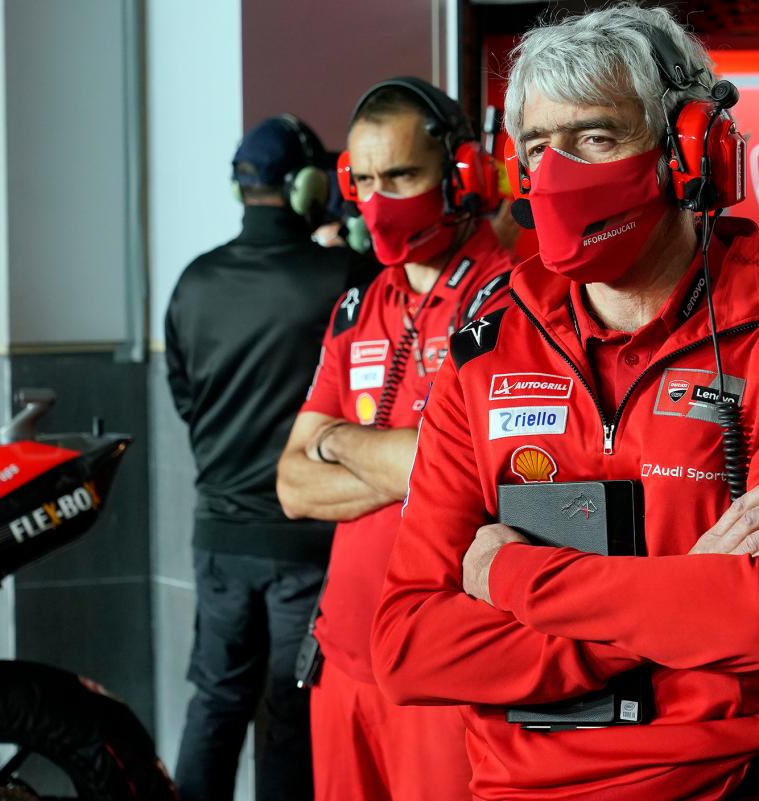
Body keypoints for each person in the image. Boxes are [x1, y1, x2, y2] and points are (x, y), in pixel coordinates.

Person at [370, 7, 759, 801]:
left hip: (725, 783)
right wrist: (683, 598)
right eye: (539, 147)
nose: (558, 173)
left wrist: (511, 574)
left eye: (596, 137)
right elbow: (407, 648)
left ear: (691, 148)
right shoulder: (484, 350)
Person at [275, 77, 515, 801]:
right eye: (367, 181)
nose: (380, 201)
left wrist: (336, 440)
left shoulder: (512, 300)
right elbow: (291, 486)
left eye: (404, 176)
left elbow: (465, 471)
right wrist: (408, 463)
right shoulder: (361, 302)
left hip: (445, 679)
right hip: (341, 666)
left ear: (463, 175)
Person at [165, 113, 376, 801]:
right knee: (290, 710)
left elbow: (185, 399)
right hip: (305, 539)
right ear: (309, 186)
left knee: (216, 701)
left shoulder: (193, 281)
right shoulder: (342, 276)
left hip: (219, 535)